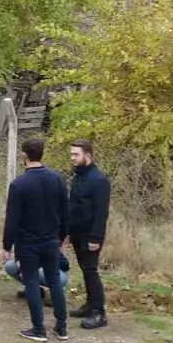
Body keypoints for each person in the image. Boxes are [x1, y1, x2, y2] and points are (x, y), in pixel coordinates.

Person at [3, 138, 69, 341]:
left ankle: (38, 329)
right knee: (54, 282)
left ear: (24, 155)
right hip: (51, 240)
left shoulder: (18, 185)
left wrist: (7, 245)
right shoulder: (57, 179)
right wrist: (63, 235)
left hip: (28, 242)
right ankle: (61, 326)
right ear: (42, 154)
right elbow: (65, 211)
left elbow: (12, 218)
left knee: (31, 281)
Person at [67, 139, 111, 330]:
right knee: (85, 270)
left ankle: (99, 312)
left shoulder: (99, 180)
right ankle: (90, 304)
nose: (72, 158)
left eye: (76, 154)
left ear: (88, 156)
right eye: (71, 154)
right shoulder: (78, 176)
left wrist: (96, 238)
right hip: (76, 231)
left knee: (91, 271)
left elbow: (101, 213)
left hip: (90, 234)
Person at [5, 249, 71, 304]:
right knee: (10, 266)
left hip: (58, 274)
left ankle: (56, 295)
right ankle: (35, 290)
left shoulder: (46, 240)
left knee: (37, 271)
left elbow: (65, 265)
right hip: (36, 268)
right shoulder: (23, 241)